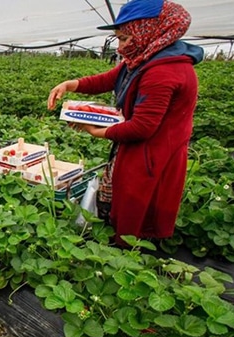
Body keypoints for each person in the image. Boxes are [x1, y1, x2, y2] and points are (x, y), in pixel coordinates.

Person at [47, 0, 203, 246]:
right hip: (138, 149)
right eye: (117, 39)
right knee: (123, 197)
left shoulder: (162, 72)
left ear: (148, 31)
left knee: (137, 206)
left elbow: (142, 127)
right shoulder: (144, 59)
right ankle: (118, 240)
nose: (119, 48)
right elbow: (108, 79)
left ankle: (127, 256)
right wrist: (71, 84)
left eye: (124, 39)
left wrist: (96, 131)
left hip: (153, 153)